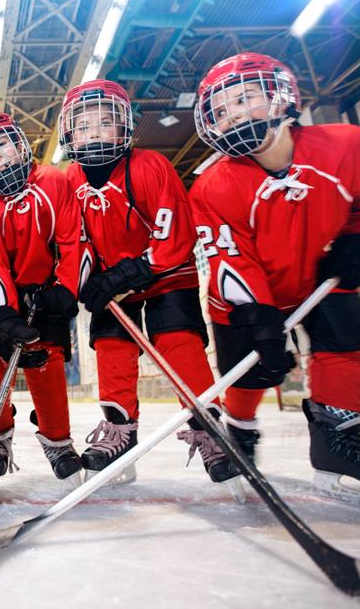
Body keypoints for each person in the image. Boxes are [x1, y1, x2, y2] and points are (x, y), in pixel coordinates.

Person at [190, 52, 360, 506]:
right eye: (223, 109)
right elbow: (231, 259)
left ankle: (336, 440)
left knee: (350, 345)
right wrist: (258, 316)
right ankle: (240, 430)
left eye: (244, 98)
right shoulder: (213, 186)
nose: (233, 113)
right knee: (252, 372)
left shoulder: (354, 147)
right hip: (246, 295)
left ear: (280, 97)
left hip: (317, 276)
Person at [61, 79, 239, 487]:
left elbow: (175, 232)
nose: (95, 132)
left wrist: (131, 271)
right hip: (111, 284)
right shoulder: (69, 180)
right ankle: (120, 431)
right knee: (110, 345)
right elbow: (73, 239)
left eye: (105, 123)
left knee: (180, 342)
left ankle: (207, 427)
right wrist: (86, 281)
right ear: (70, 132)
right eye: (85, 126)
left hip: (165, 273)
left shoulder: (150, 165)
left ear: (124, 127)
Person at [0, 108, 86, 487]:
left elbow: (70, 238)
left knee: (48, 363)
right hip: (0, 299)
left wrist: (65, 289)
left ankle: (58, 442)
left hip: (47, 292)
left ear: (19, 144)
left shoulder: (52, 180)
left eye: (1, 145)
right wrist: (2, 312)